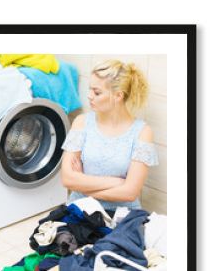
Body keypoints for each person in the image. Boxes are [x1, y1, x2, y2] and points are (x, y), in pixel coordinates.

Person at [60, 59, 159, 211]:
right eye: (90, 90)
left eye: (97, 92)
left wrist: (82, 183)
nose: (89, 96)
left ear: (118, 96)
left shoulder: (142, 132)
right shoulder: (81, 122)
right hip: (80, 209)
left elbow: (130, 193)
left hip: (122, 216)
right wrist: (116, 183)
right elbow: (67, 179)